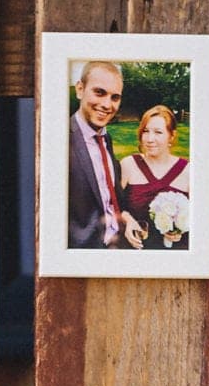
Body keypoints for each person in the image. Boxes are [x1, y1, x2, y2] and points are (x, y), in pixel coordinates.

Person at [64, 60, 144, 250]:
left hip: (120, 241)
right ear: (80, 89)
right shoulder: (61, 140)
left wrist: (127, 217)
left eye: (115, 97)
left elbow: (109, 196)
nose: (107, 104)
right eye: (99, 92)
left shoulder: (105, 138)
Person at [118, 104, 191, 250]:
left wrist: (180, 230)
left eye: (158, 132)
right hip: (135, 249)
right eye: (146, 131)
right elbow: (112, 205)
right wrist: (128, 220)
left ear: (172, 135)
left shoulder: (188, 171)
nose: (150, 139)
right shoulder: (128, 165)